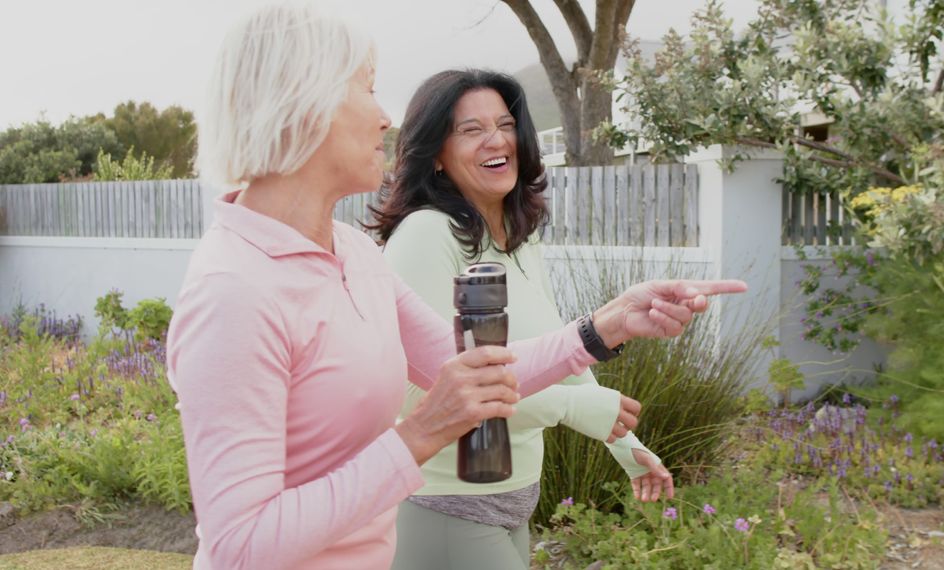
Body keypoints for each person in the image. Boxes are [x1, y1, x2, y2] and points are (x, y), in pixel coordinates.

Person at [166, 3, 748, 569]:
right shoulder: (233, 291)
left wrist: (608, 324)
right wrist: (421, 433)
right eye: (367, 89)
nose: (385, 117)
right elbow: (239, 547)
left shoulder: (352, 253)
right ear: (300, 102)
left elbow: (469, 368)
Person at [373, 69, 674, 570]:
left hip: (514, 502)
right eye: (471, 130)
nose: (497, 140)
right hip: (445, 507)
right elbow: (417, 392)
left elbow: (564, 354)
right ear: (437, 155)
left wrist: (626, 444)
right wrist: (571, 408)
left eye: (506, 123)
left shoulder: (519, 238)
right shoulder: (425, 235)